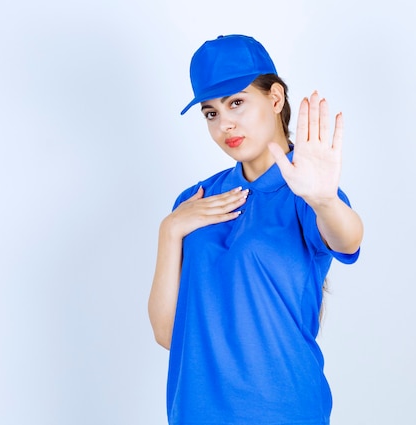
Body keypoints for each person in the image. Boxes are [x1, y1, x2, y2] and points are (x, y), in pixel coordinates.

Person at [148, 34, 364, 425]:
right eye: (211, 113)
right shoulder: (196, 199)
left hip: (282, 409)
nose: (224, 124)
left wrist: (325, 201)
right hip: (195, 412)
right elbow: (168, 333)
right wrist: (170, 231)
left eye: (237, 103)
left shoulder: (305, 191)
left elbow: (348, 239)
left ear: (276, 98)